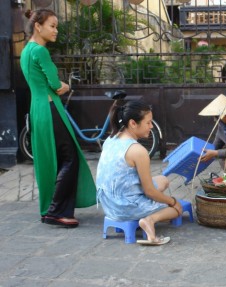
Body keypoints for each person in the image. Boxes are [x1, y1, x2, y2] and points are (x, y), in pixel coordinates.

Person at [20, 9, 96, 228]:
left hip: (38, 109)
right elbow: (56, 85)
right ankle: (55, 212)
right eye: (52, 26)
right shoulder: (41, 52)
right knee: (70, 157)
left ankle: (51, 210)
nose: (56, 31)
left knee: (54, 159)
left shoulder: (27, 51)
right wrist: (66, 85)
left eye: (56, 26)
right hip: (50, 107)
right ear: (38, 26)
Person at [96, 100, 182, 245]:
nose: (151, 126)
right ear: (133, 123)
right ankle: (149, 220)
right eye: (148, 123)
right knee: (175, 210)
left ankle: (148, 215)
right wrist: (173, 201)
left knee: (163, 180)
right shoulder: (138, 151)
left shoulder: (110, 140)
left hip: (109, 205)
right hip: (126, 208)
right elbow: (149, 191)